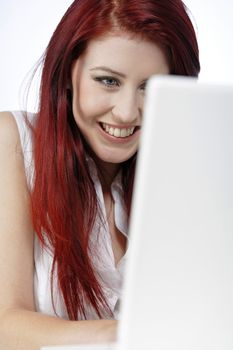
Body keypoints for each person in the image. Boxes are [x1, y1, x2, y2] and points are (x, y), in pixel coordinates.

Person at [0, 0, 200, 349]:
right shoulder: (15, 143)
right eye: (108, 81)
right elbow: (6, 325)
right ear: (67, 72)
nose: (126, 113)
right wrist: (124, 333)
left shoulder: (185, 173)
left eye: (149, 89)